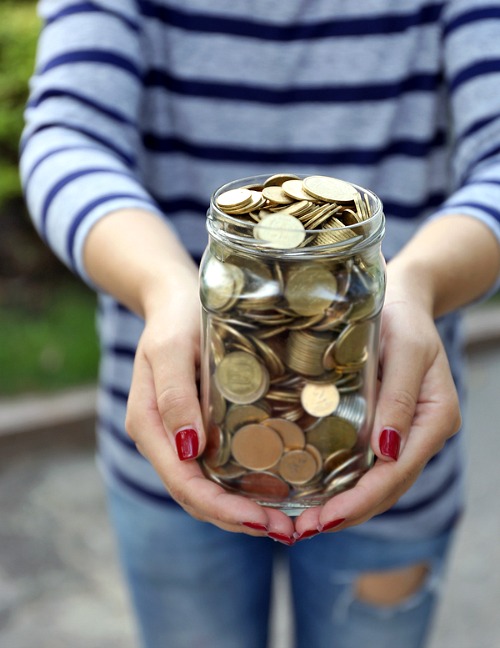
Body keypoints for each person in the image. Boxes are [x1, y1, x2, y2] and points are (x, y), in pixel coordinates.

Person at [20, 1, 500, 647]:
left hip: (385, 439)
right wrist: (166, 287)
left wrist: (414, 285)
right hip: (178, 434)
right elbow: (66, 138)